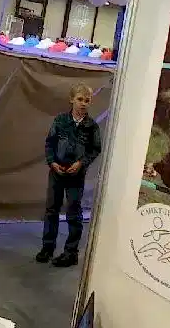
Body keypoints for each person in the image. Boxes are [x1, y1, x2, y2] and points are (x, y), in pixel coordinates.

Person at [36, 83, 102, 268]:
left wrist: (81, 163)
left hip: (76, 175)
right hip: (57, 172)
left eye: (87, 100)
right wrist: (52, 162)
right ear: (72, 99)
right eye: (80, 99)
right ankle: (47, 248)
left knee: (74, 212)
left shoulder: (91, 126)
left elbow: (95, 149)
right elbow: (50, 143)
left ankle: (71, 252)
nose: (83, 103)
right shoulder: (60, 120)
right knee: (52, 210)